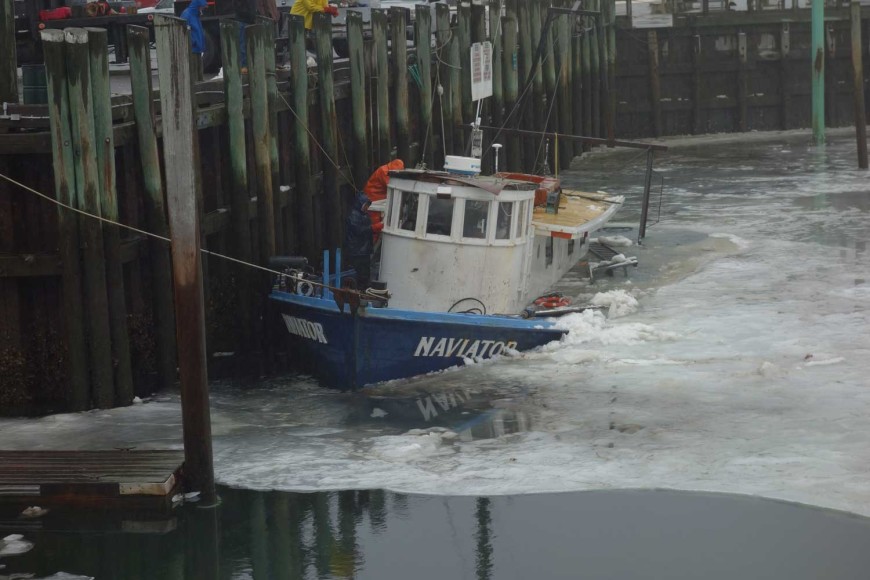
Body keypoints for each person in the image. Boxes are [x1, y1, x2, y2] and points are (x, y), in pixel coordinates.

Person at [362, 159, 404, 244]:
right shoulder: (385, 172)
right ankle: (371, 245)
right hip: (374, 199)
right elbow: (392, 185)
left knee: (375, 223)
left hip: (376, 198)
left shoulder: (384, 169)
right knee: (375, 223)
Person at [344, 192, 377, 289]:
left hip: (364, 250)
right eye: (366, 205)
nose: (367, 207)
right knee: (360, 274)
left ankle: (364, 289)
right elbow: (359, 230)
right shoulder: (353, 215)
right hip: (357, 251)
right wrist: (373, 228)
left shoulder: (364, 215)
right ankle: (360, 291)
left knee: (365, 274)